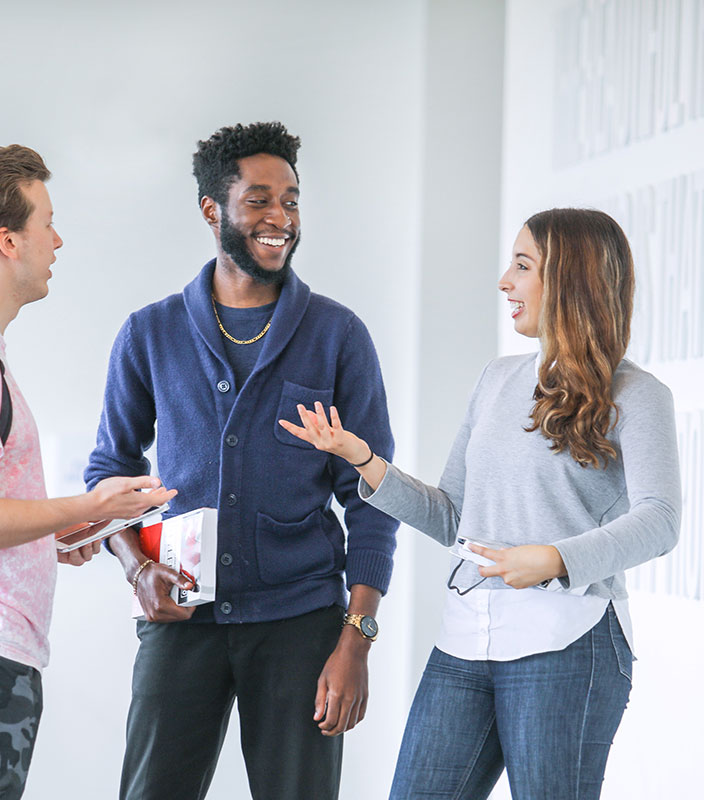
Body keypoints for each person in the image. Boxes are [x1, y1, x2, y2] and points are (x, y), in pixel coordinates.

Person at [279, 208, 681, 800]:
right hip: (466, 642)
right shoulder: (497, 379)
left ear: (570, 280)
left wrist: (553, 559)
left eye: (522, 266)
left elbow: (660, 520)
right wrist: (364, 460)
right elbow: (451, 516)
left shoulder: (638, 395)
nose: (504, 282)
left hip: (570, 643)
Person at [84, 121, 397, 800]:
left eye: (290, 200)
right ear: (212, 211)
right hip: (181, 616)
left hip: (302, 624)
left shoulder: (338, 336)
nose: (279, 217)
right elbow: (110, 470)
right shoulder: (150, 333)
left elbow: (373, 495)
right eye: (258, 200)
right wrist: (136, 568)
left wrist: (357, 640)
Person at [0, 145, 175, 799]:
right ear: (6, 240)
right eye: (45, 222)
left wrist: (46, 533)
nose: (58, 239)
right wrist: (95, 508)